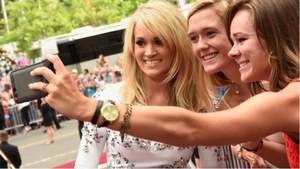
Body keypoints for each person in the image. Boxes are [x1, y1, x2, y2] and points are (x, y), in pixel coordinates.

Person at [29, 0, 299, 168]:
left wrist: (90, 108)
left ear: (273, 40)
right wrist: (256, 145)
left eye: (240, 40)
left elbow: (187, 128)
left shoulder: (284, 98)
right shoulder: (280, 95)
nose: (233, 51)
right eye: (140, 42)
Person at [74, 0, 208, 168]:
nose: (149, 52)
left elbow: (211, 163)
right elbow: (84, 164)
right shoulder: (107, 99)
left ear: (178, 45)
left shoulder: (198, 102)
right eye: (140, 43)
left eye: (159, 41)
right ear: (131, 47)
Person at [188, 0, 286, 167]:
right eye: (193, 38)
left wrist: (257, 147)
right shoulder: (212, 100)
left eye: (210, 33)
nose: (200, 46)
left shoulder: (279, 89)